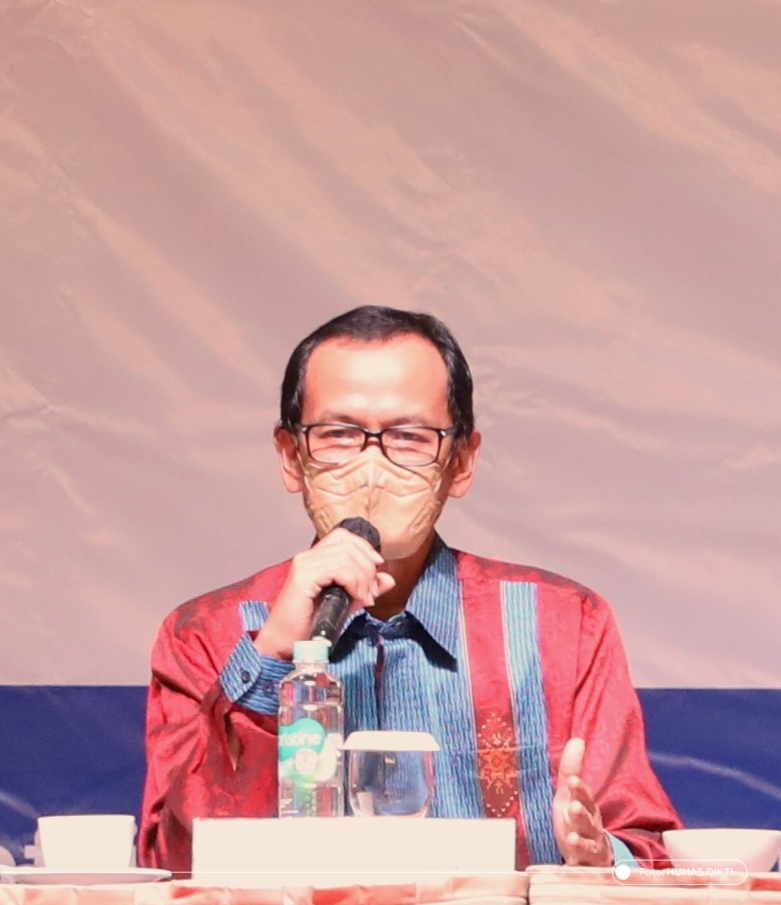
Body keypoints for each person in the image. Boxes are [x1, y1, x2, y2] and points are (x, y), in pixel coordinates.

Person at [139, 306, 681, 873]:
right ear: (290, 457)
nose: (372, 467)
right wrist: (271, 657)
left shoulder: (564, 625)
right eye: (339, 434)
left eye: (409, 436)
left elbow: (645, 853)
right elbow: (174, 862)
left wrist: (603, 858)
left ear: (461, 461)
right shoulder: (204, 635)